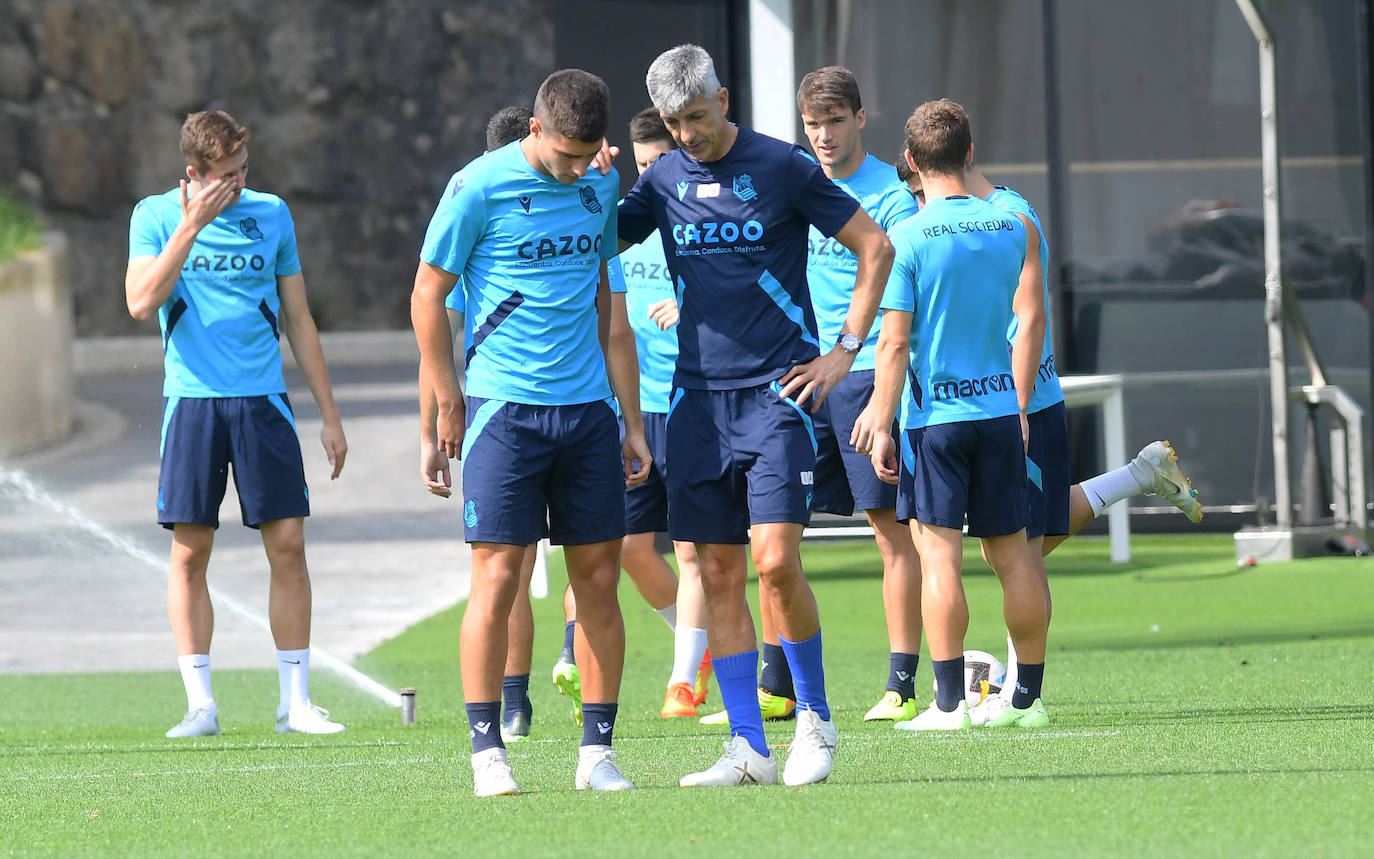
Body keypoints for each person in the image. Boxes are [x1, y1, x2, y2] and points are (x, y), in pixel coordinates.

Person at [617, 45, 893, 787]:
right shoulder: (661, 179)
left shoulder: (783, 166)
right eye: (675, 124)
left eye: (697, 118)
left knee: (774, 560)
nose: (687, 135)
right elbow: (597, 244)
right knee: (714, 568)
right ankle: (747, 748)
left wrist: (843, 350)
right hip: (694, 403)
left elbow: (875, 246)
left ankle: (815, 720)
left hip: (780, 394)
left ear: (724, 99)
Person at [413, 69, 650, 796]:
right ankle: (488, 752)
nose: (579, 168)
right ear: (536, 130)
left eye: (590, 154)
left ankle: (598, 754)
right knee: (496, 578)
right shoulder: (477, 187)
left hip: (586, 418)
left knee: (599, 583)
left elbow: (612, 312)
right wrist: (447, 399)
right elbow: (427, 295)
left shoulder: (601, 186)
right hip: (503, 415)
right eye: (566, 154)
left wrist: (631, 421)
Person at [125, 110, 348, 739]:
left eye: (244, 170)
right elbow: (141, 302)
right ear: (194, 175)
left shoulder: (271, 214)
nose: (240, 184)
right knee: (191, 553)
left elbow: (300, 321)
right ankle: (201, 706)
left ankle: (295, 703)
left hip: (263, 403)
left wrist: (329, 415)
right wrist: (191, 226)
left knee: (288, 545)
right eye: (226, 176)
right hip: (191, 403)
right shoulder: (155, 216)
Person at [851, 98, 1048, 732]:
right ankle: (1027, 700)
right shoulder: (1011, 225)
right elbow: (1024, 318)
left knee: (938, 559)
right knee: (1014, 557)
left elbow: (894, 342)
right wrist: (1018, 405)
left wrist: (880, 419)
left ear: (908, 161)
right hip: (998, 412)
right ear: (969, 152)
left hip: (935, 419)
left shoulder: (903, 238)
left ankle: (947, 705)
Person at [795, 66, 923, 723]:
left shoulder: (892, 198)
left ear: (860, 119)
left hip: (868, 376)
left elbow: (901, 304)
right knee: (773, 528)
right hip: (802, 374)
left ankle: (902, 683)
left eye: (834, 121)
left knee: (891, 532)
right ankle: (780, 685)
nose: (822, 134)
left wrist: (883, 393)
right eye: (813, 123)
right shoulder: (796, 180)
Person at [423, 105, 548, 744]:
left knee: (503, 569)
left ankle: (514, 701)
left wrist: (434, 427)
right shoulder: (480, 208)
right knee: (516, 569)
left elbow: (438, 338)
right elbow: (438, 324)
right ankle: (515, 699)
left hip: (505, 411)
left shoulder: (483, 209)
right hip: (513, 410)